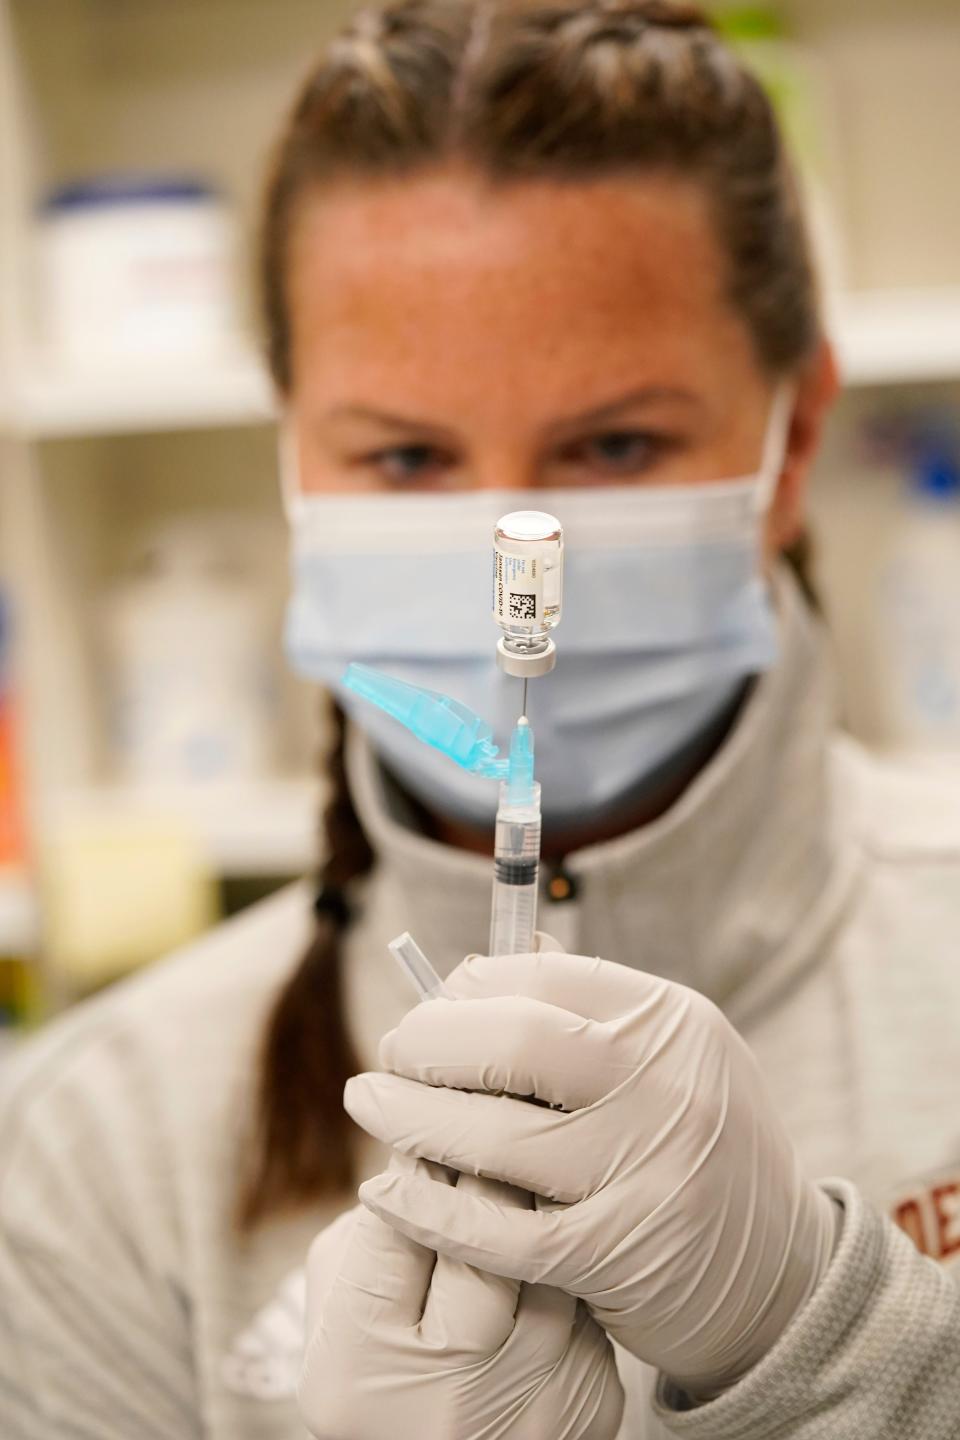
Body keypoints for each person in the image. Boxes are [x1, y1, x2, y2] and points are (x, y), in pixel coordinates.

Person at [1, 1, 959, 1436]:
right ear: (291, 448)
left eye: (616, 443)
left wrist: (822, 1330)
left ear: (791, 439)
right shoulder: (98, 1146)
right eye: (404, 454)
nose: (518, 542)